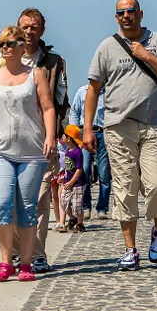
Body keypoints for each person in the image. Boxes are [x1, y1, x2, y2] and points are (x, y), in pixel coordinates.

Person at [83, 0, 157, 271]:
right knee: (125, 189)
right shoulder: (106, 47)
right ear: (116, 17)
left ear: (140, 13)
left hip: (153, 124)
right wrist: (88, 127)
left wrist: (147, 57)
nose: (126, 16)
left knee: (156, 186)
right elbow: (93, 89)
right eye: (120, 12)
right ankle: (130, 250)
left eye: (130, 11)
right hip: (118, 126)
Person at [0, 24, 56, 282]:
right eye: (2, 44)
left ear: (23, 46)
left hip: (31, 152)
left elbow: (47, 108)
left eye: (10, 43)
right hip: (0, 150)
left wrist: (51, 137)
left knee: (27, 208)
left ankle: (25, 263)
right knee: (1, 204)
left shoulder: (37, 75)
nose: (5, 48)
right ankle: (5, 261)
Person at [4, 8, 69, 274]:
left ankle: (38, 253)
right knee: (14, 200)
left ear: (42, 30)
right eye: (25, 27)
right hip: (10, 140)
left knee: (39, 199)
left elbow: (61, 99)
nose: (29, 32)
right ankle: (20, 253)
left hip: (43, 140)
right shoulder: (4, 58)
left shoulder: (53, 62)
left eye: (34, 27)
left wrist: (53, 133)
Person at [68, 82, 109, 219]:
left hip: (103, 133)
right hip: (84, 133)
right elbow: (74, 113)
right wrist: (74, 137)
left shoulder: (109, 91)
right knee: (84, 171)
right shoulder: (81, 91)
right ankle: (85, 207)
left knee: (104, 173)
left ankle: (102, 207)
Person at [59, 126, 87, 231]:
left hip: (78, 182)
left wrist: (71, 182)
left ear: (69, 138)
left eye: (64, 135)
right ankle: (72, 218)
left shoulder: (77, 152)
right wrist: (64, 178)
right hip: (68, 181)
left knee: (77, 204)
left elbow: (79, 170)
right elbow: (68, 167)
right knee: (63, 201)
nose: (62, 136)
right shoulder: (68, 150)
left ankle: (80, 224)